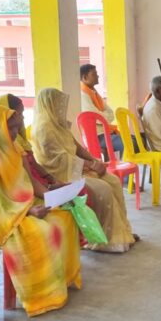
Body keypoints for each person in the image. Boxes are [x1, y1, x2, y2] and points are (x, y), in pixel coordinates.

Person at [0, 105, 82, 316]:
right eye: (9, 128)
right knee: (41, 232)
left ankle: (60, 280)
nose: (14, 133)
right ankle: (43, 293)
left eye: (16, 128)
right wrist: (27, 213)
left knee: (65, 216)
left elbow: (26, 183)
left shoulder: (11, 148)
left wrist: (50, 196)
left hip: (20, 205)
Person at [31, 88, 137, 253]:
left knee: (114, 181)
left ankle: (121, 233)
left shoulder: (58, 124)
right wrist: (91, 166)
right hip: (60, 175)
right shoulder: (43, 128)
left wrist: (95, 161)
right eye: (58, 104)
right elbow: (60, 159)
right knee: (103, 189)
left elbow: (78, 148)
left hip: (76, 168)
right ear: (49, 104)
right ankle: (102, 239)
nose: (61, 108)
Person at [80, 63, 128, 159]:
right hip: (96, 136)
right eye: (94, 74)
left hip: (105, 132)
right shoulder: (82, 95)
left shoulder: (94, 93)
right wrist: (102, 117)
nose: (98, 76)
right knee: (126, 144)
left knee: (131, 140)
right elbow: (96, 117)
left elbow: (110, 113)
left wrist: (102, 117)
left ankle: (119, 167)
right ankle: (121, 168)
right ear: (85, 77)